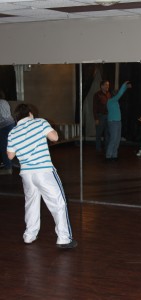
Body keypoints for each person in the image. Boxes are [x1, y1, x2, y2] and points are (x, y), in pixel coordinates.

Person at [7, 104, 77, 249]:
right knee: (58, 204)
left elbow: (10, 155)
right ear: (30, 114)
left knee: (31, 205)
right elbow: (55, 137)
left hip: (26, 174)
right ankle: (64, 238)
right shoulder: (39, 122)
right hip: (44, 171)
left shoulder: (13, 132)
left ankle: (29, 235)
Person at [106, 81, 132, 161]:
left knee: (117, 139)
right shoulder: (111, 101)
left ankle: (114, 155)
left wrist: (126, 88)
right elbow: (120, 94)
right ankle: (108, 155)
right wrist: (124, 84)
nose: (117, 93)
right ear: (113, 94)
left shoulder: (115, 101)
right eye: (115, 92)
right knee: (113, 139)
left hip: (118, 122)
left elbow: (121, 93)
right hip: (113, 122)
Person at [93, 80, 111, 152]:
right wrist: (96, 118)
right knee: (99, 134)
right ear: (102, 86)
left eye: (108, 85)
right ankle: (98, 149)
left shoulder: (109, 94)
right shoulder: (97, 94)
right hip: (100, 116)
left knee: (107, 133)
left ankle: (107, 148)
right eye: (106, 85)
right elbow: (94, 107)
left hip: (108, 116)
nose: (107, 86)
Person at [0, 89, 15, 175]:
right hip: (8, 125)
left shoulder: (1, 102)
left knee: (4, 147)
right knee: (8, 146)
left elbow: (5, 116)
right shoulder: (4, 102)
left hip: (5, 126)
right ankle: (9, 164)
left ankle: (8, 168)